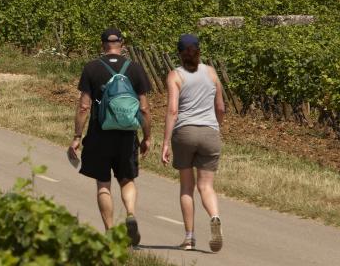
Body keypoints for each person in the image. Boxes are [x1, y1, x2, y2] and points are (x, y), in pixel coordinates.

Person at [67, 28, 152, 247]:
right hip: (127, 136)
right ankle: (131, 214)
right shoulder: (134, 69)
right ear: (122, 45)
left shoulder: (92, 68)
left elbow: (84, 106)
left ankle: (110, 232)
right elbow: (144, 109)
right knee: (127, 180)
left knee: (103, 184)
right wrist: (147, 137)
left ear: (102, 45)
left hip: (99, 134)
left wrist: (77, 136)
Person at [161, 34, 225, 252]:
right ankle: (215, 217)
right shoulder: (211, 72)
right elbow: (221, 107)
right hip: (210, 132)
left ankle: (189, 238)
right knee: (206, 186)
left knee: (187, 187)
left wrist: (166, 142)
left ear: (179, 53)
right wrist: (217, 127)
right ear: (198, 51)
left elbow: (172, 110)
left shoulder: (175, 75)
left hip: (185, 133)